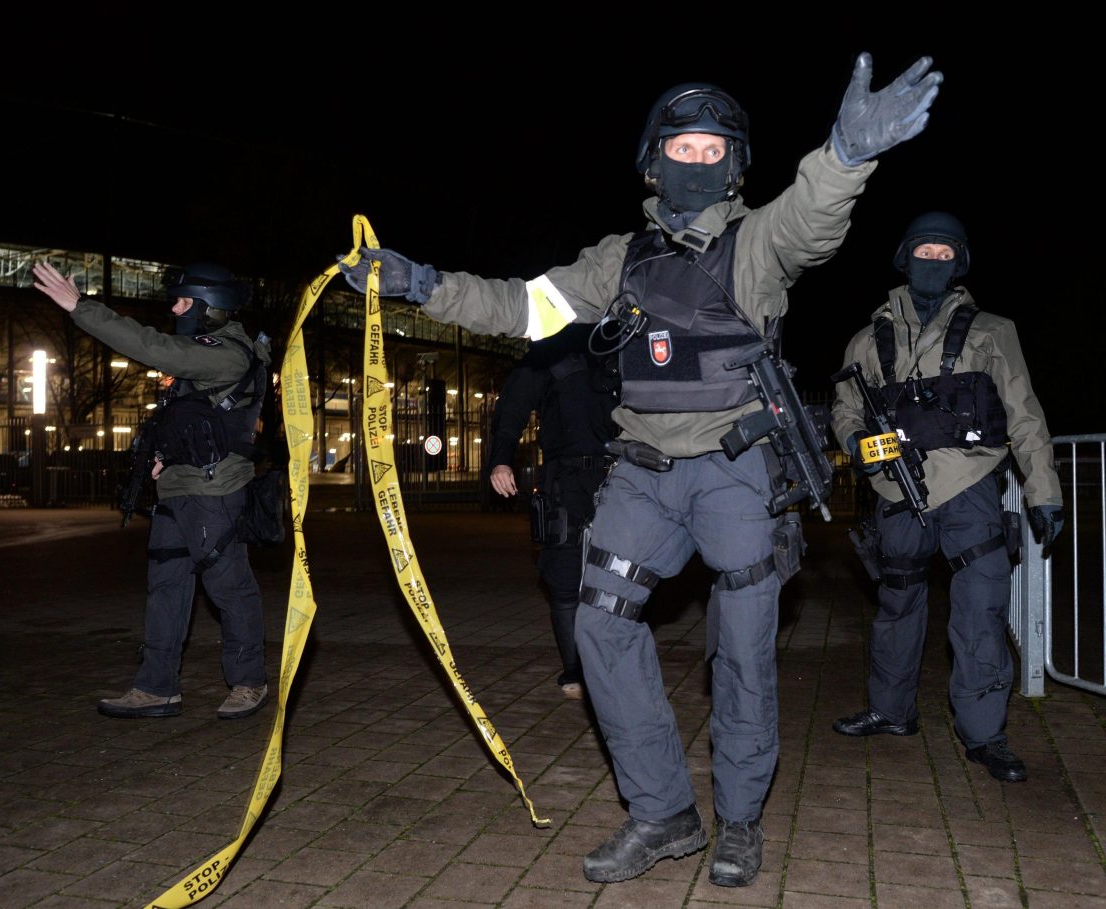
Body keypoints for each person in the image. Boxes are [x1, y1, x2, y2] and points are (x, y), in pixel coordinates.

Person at [339, 52, 941, 887]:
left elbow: (812, 220)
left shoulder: (756, 242)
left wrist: (845, 155)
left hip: (738, 471)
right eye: (681, 147)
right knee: (599, 627)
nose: (697, 162)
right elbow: (521, 306)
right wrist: (421, 284)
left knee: (742, 651)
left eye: (713, 150)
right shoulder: (616, 260)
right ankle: (662, 812)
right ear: (653, 161)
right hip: (643, 471)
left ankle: (739, 820)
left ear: (734, 166)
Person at [830, 212, 1063, 782]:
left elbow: (1024, 413)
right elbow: (844, 411)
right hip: (897, 489)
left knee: (981, 609)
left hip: (969, 487)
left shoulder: (992, 329)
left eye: (944, 253)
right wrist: (860, 443)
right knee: (896, 605)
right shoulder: (866, 339)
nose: (933, 261)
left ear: (958, 263)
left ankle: (985, 735)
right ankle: (891, 711)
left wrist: (1044, 490)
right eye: (923, 252)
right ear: (905, 259)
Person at [32, 260, 272, 721]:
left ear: (211, 308)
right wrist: (165, 455)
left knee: (229, 588)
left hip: (214, 491)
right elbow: (192, 418)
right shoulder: (202, 351)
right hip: (178, 487)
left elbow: (152, 346)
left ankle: (248, 682)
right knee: (165, 587)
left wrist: (80, 307)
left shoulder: (227, 352)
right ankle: (156, 687)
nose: (175, 309)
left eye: (184, 302)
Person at [487, 322, 619, 700]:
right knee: (564, 579)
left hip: (622, 476)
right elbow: (511, 410)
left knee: (622, 576)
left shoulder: (617, 342)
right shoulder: (548, 352)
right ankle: (574, 671)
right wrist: (501, 461)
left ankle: (612, 663)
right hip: (567, 479)